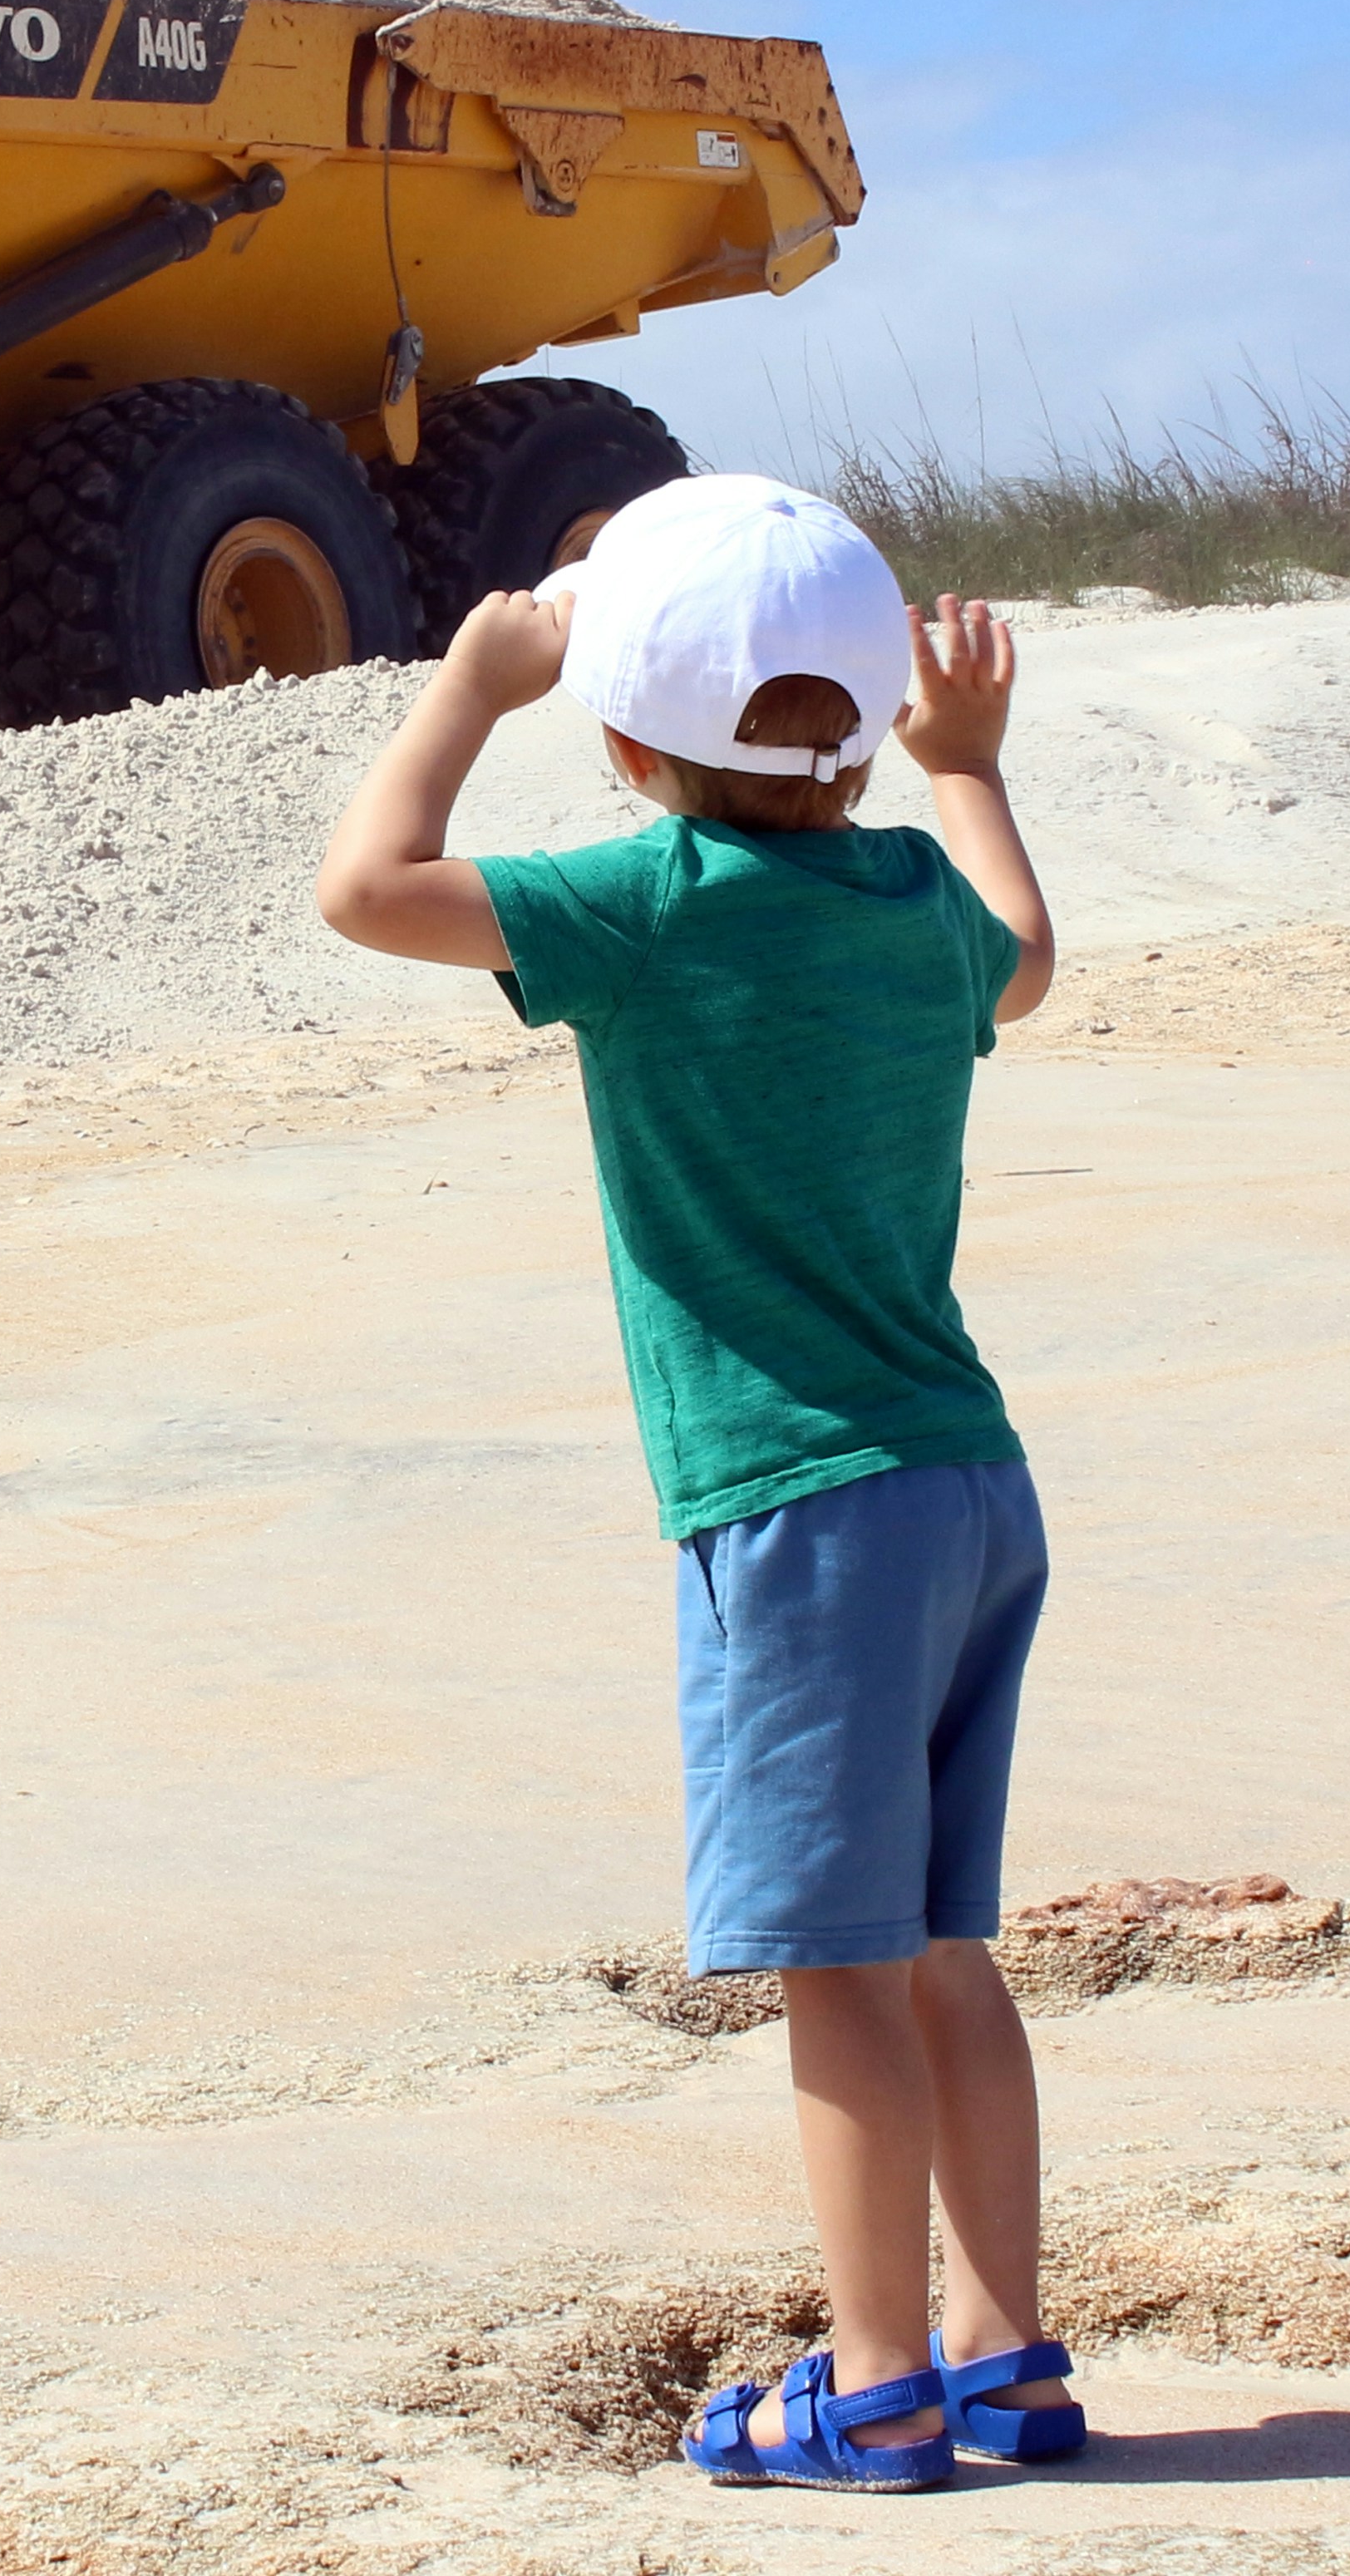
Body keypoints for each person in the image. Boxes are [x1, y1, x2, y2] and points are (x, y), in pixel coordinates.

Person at [311, 474, 1081, 2494]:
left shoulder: (641, 911)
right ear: (862, 720)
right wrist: (976, 770)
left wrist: (469, 693)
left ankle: (882, 2383)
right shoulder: (917, 904)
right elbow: (1024, 961)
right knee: (941, 1949)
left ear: (630, 739)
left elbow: (367, 888)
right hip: (969, 1485)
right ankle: (1007, 2354)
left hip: (799, 1507)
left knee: (835, 1966)